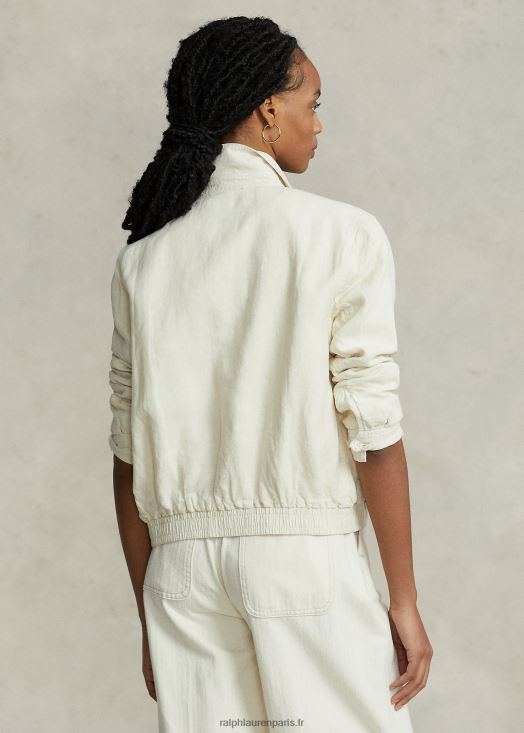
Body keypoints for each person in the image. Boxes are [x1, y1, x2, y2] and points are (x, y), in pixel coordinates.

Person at [108, 15, 433, 733]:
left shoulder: (142, 261)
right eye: (312, 103)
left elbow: (128, 465)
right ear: (267, 111)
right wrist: (404, 599)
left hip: (180, 575)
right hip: (301, 562)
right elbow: (374, 434)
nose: (319, 123)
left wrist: (148, 614)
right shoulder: (341, 234)